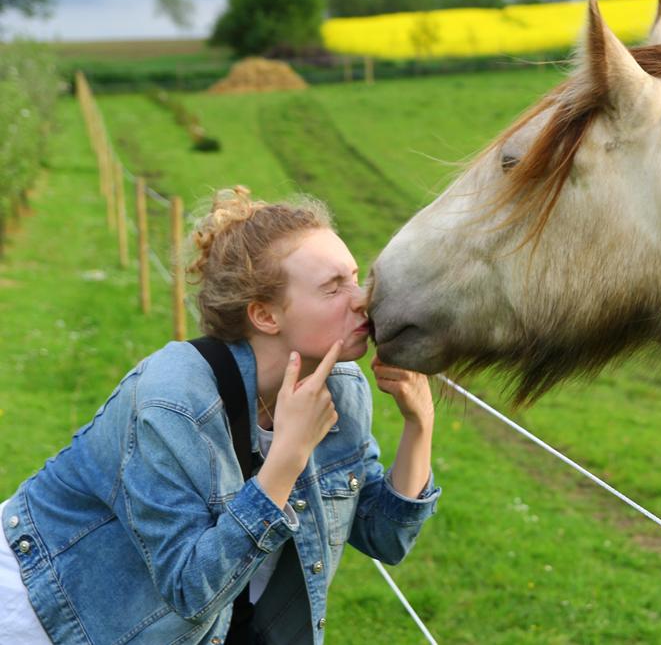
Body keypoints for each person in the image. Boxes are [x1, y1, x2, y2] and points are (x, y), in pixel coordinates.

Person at [1, 186, 439, 644]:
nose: (361, 299)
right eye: (333, 287)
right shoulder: (171, 402)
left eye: (355, 278)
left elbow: (384, 538)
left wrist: (419, 424)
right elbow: (191, 589)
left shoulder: (340, 386)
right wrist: (288, 455)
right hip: (47, 610)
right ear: (265, 316)